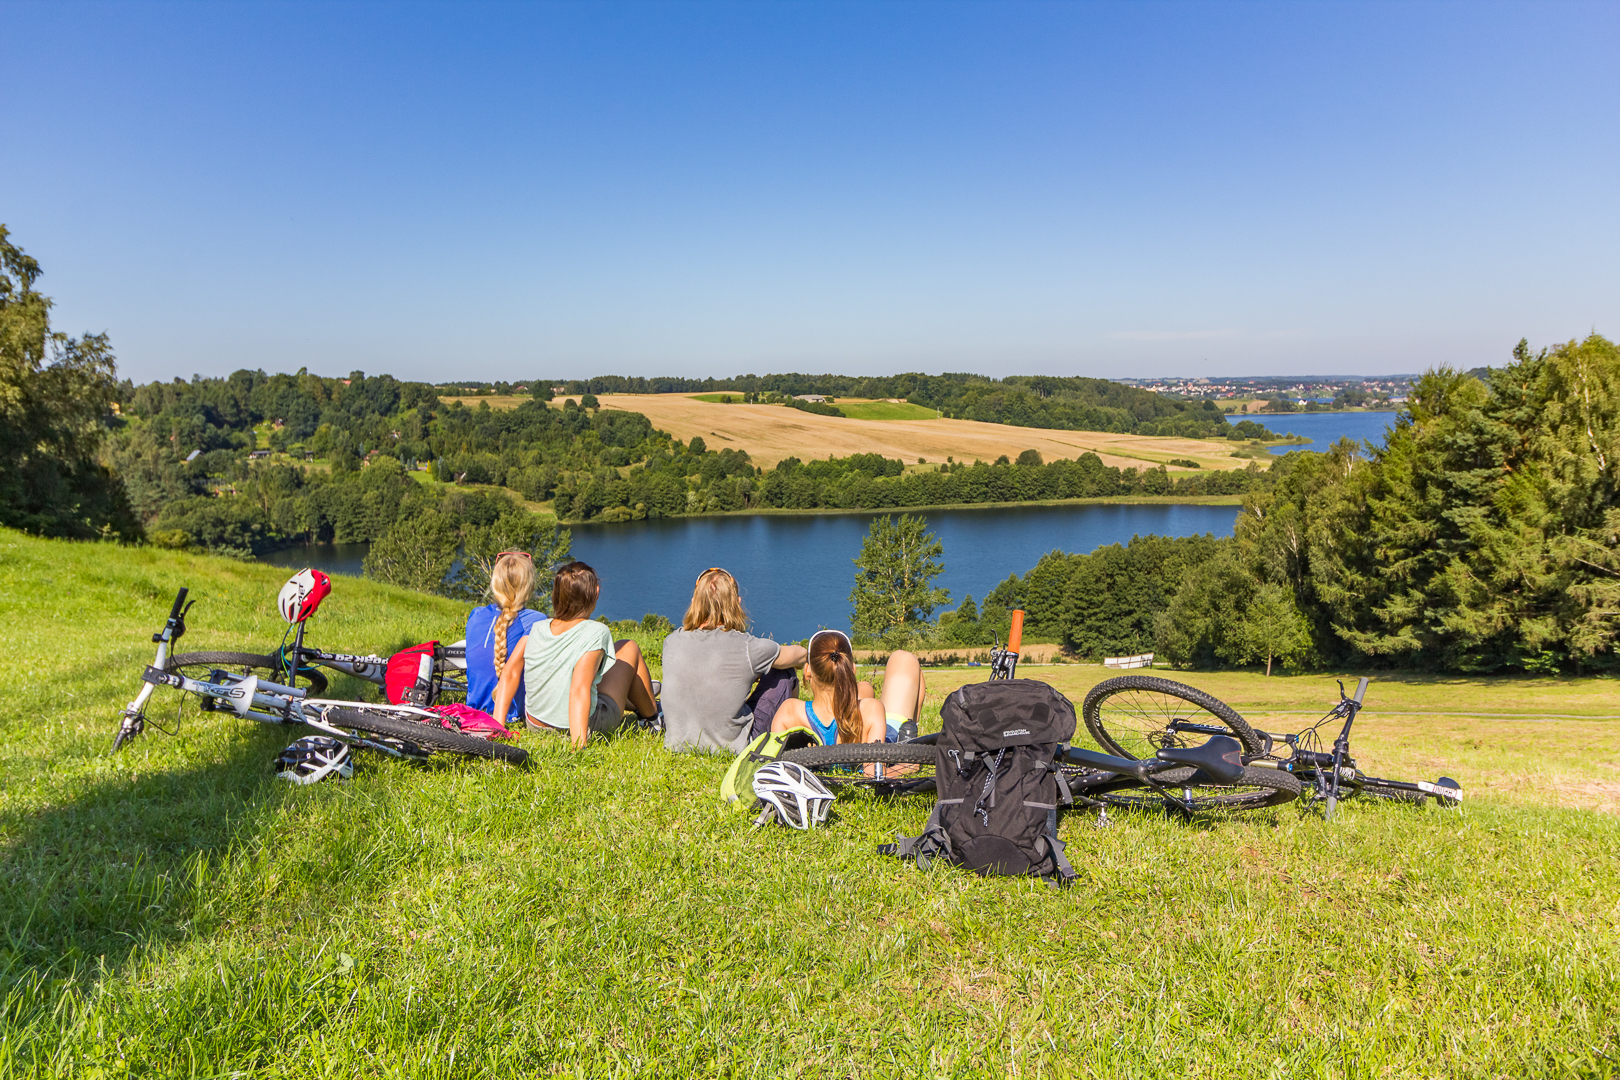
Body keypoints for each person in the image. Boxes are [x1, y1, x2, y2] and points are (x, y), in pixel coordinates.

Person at [491, 561, 659, 748]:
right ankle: (652, 717)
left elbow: (509, 674)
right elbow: (579, 688)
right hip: (581, 725)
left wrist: (497, 729)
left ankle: (637, 702)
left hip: (535, 723)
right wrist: (578, 745)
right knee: (628, 647)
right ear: (595, 592)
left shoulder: (536, 629)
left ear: (556, 595)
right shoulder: (596, 632)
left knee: (602, 665)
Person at [660, 567, 807, 753]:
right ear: (736, 603)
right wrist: (805, 660)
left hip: (677, 744)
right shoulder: (746, 646)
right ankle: (789, 736)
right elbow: (799, 655)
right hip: (733, 747)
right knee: (784, 671)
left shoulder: (671, 641)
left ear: (693, 602)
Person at [771, 629, 925, 745]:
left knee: (865, 688)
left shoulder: (788, 712)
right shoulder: (872, 709)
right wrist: (908, 766)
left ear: (807, 671)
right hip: (879, 733)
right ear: (852, 669)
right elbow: (875, 773)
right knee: (904, 658)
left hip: (853, 721)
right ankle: (909, 738)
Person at [464, 551, 548, 724]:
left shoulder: (476, 615)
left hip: (473, 712)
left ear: (495, 583)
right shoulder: (536, 620)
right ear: (529, 586)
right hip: (511, 715)